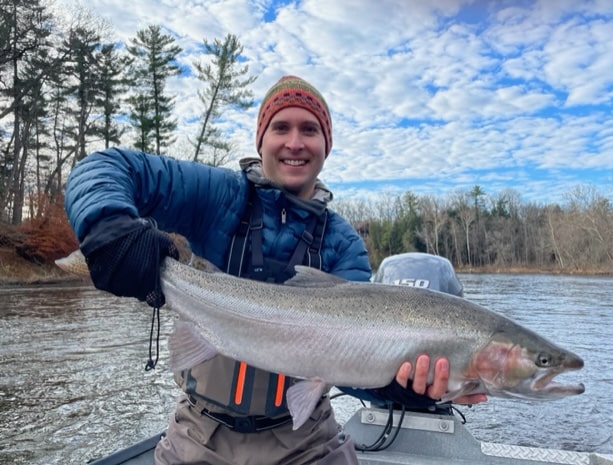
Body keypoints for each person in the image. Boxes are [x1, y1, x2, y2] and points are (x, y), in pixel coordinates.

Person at [64, 75, 485, 465]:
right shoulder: (217, 195)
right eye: (281, 127)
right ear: (261, 138)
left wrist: (395, 385)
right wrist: (108, 224)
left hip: (305, 438)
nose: (295, 142)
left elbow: (353, 365)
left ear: (326, 145)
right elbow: (104, 167)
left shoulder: (342, 243)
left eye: (310, 129)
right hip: (200, 431)